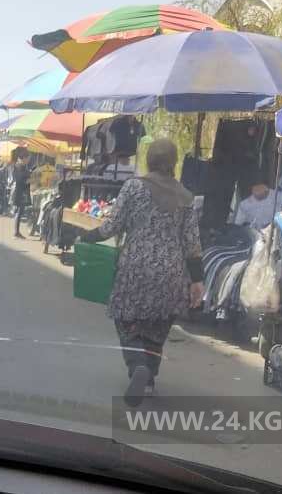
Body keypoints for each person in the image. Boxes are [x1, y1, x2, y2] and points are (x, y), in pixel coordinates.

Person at [80, 139, 203, 406]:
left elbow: (112, 226)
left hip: (135, 269)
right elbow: (193, 244)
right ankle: (148, 380)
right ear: (174, 162)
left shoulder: (133, 187)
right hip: (172, 274)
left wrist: (87, 236)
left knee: (126, 319)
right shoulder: (185, 196)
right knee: (157, 327)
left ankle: (137, 365)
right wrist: (198, 281)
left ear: (149, 159)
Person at [12, 149, 31, 238]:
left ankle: (17, 232)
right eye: (28, 158)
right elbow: (19, 180)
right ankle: (16, 232)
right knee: (19, 211)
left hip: (22, 191)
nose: (28, 160)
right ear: (23, 158)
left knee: (20, 211)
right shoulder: (19, 166)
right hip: (20, 192)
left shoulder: (22, 166)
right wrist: (29, 180)